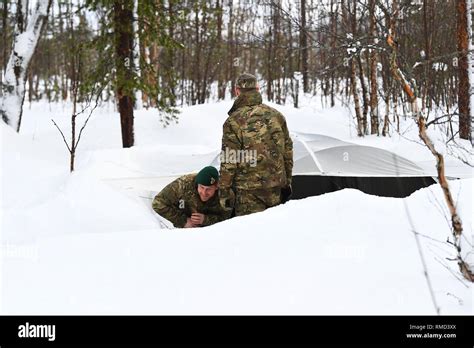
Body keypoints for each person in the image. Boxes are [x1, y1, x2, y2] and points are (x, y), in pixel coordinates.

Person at [219, 73, 293, 216]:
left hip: (247, 191)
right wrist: (287, 181)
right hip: (275, 187)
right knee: (272, 229)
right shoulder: (276, 116)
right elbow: (287, 151)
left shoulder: (233, 121)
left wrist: (224, 192)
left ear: (237, 91)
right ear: (258, 89)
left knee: (250, 233)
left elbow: (229, 160)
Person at [152, 166, 230, 228]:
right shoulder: (183, 185)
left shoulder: (226, 194)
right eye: (201, 187)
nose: (204, 192)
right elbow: (158, 203)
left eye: (208, 189)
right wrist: (183, 221)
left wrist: (205, 220)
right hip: (185, 230)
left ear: (217, 187)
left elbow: (228, 220)